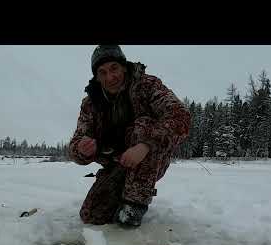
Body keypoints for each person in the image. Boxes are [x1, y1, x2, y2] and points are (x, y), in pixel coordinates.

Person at [69, 45, 191, 227]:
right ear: (96, 76)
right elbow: (75, 144)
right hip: (116, 164)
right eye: (102, 72)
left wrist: (145, 145)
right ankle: (122, 193)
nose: (110, 77)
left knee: (143, 125)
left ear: (124, 66)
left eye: (114, 68)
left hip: (150, 157)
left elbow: (181, 116)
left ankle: (134, 204)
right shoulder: (90, 104)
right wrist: (81, 149)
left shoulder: (147, 85)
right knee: (91, 215)